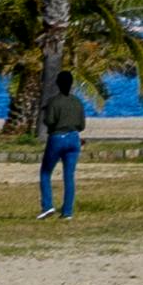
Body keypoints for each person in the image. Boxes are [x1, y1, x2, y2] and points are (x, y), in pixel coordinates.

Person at [31, 55, 90, 217]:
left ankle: (47, 205)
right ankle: (68, 211)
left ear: (58, 84)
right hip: (74, 138)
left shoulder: (54, 102)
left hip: (57, 138)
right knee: (69, 176)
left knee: (45, 172)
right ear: (71, 85)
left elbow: (49, 121)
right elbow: (82, 125)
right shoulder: (77, 102)